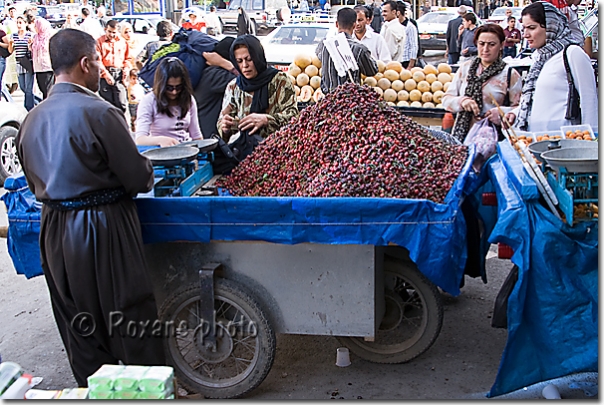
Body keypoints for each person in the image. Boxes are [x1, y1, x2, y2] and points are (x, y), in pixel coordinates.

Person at [15, 27, 166, 388]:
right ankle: (145, 392)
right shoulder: (100, 112)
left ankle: (95, 392)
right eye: (98, 62)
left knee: (79, 327)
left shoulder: (30, 120)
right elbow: (138, 178)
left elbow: (35, 182)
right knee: (131, 323)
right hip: (104, 228)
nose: (102, 70)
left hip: (54, 232)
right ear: (86, 63)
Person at [505, 1, 597, 132]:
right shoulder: (539, 58)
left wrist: (590, 142)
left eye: (531, 28)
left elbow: (590, 101)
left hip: (564, 143)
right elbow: (537, 98)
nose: (525, 34)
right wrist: (516, 113)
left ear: (550, 27)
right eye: (524, 28)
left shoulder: (572, 53)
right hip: (537, 141)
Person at [442, 23, 522, 141]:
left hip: (494, 139)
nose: (485, 49)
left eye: (491, 45)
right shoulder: (465, 69)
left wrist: (501, 113)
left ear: (501, 45)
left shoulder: (510, 74)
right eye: (481, 44)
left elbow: (520, 109)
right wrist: (462, 101)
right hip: (463, 136)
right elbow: (446, 100)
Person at [217, 34, 298, 142]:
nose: (245, 65)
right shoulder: (234, 87)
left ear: (257, 57)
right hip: (245, 150)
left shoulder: (279, 81)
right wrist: (225, 127)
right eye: (239, 61)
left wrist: (266, 119)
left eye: (249, 59)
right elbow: (223, 120)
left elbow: (293, 116)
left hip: (277, 148)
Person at [135, 57, 202, 146]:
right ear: (161, 85)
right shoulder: (149, 101)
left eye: (178, 87)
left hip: (186, 149)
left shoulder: (189, 100)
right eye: (169, 88)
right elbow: (140, 139)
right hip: (161, 153)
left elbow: (196, 136)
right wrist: (160, 140)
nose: (174, 92)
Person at [316, 7, 378, 93]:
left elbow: (319, 56)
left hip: (327, 102)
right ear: (354, 25)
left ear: (336, 24)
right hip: (349, 102)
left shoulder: (324, 45)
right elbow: (372, 71)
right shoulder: (359, 49)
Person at [195, 37, 239, 138]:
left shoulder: (207, 72)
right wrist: (226, 64)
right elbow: (245, 82)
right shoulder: (216, 75)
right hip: (209, 137)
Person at [97, 19, 130, 112]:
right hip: (105, 74)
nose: (111, 35)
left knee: (121, 102)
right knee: (108, 104)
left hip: (119, 73)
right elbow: (97, 60)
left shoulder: (123, 42)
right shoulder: (99, 42)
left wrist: (126, 70)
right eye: (109, 32)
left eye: (114, 33)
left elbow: (128, 58)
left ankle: (121, 124)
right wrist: (105, 74)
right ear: (105, 30)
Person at [9, 16, 34, 111]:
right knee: (23, 87)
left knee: (28, 89)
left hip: (27, 63)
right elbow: (10, 51)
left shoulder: (30, 35)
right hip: (19, 63)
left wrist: (30, 45)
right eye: (17, 23)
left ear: (25, 23)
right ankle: (36, 102)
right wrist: (11, 44)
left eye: (21, 23)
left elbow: (32, 51)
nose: (19, 25)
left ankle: (28, 109)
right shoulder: (14, 35)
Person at [32, 17, 55, 100]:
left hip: (47, 67)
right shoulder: (35, 37)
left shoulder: (50, 37)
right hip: (38, 67)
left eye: (36, 26)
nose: (35, 27)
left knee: (47, 90)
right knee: (42, 88)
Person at [398, 2, 419, 69]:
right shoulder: (389, 26)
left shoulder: (410, 27)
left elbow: (413, 46)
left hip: (405, 61)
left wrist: (410, 65)